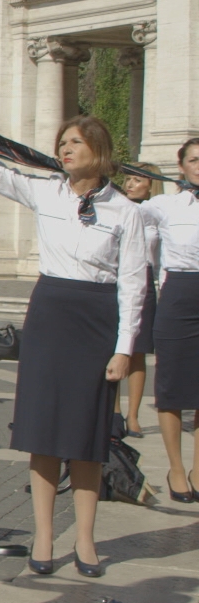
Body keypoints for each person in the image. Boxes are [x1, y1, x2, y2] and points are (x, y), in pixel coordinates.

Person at [0, 101, 142, 573]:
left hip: (98, 318)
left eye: (74, 143)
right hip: (51, 313)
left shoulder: (125, 210)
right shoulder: (47, 192)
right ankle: (43, 537)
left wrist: (125, 349)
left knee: (86, 437)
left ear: (98, 151)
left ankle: (84, 539)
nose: (64, 150)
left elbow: (135, 285)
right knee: (43, 433)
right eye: (61, 143)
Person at [143, 140, 199, 505]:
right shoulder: (164, 205)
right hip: (180, 293)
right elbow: (134, 229)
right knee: (172, 386)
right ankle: (176, 468)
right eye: (195, 159)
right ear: (181, 167)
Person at [119, 163, 163, 436]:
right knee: (111, 349)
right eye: (128, 179)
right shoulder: (117, 208)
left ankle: (133, 416)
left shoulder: (156, 213)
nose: (130, 184)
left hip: (145, 279)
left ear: (151, 185)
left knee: (137, 352)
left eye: (137, 180)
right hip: (116, 277)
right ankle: (112, 415)